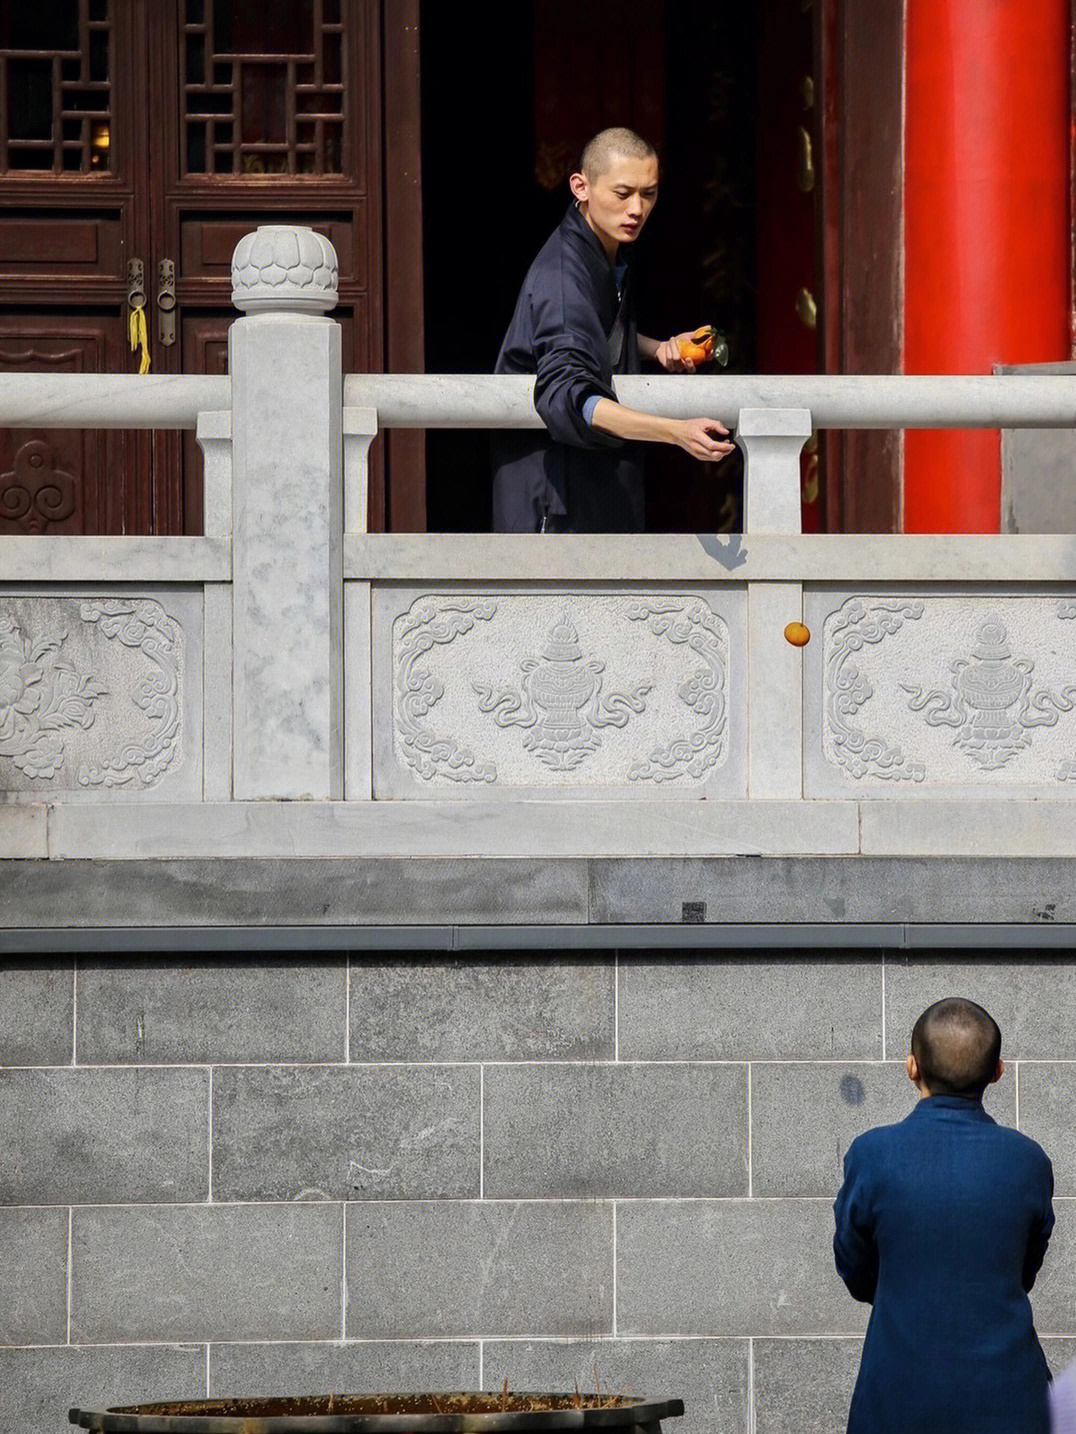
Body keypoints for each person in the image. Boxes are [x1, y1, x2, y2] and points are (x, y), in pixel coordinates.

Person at [492, 126, 734, 533]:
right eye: (623, 194)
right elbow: (573, 397)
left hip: (589, 490)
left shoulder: (601, 253)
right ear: (580, 187)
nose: (637, 209)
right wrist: (675, 431)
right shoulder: (563, 276)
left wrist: (657, 348)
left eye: (649, 193)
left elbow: (588, 334)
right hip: (555, 502)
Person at [833, 996, 1055, 1434]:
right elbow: (1024, 1272)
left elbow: (856, 1272)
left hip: (897, 1398)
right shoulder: (1028, 1160)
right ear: (997, 1072)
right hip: (1013, 1401)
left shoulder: (872, 1154)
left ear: (911, 1066)